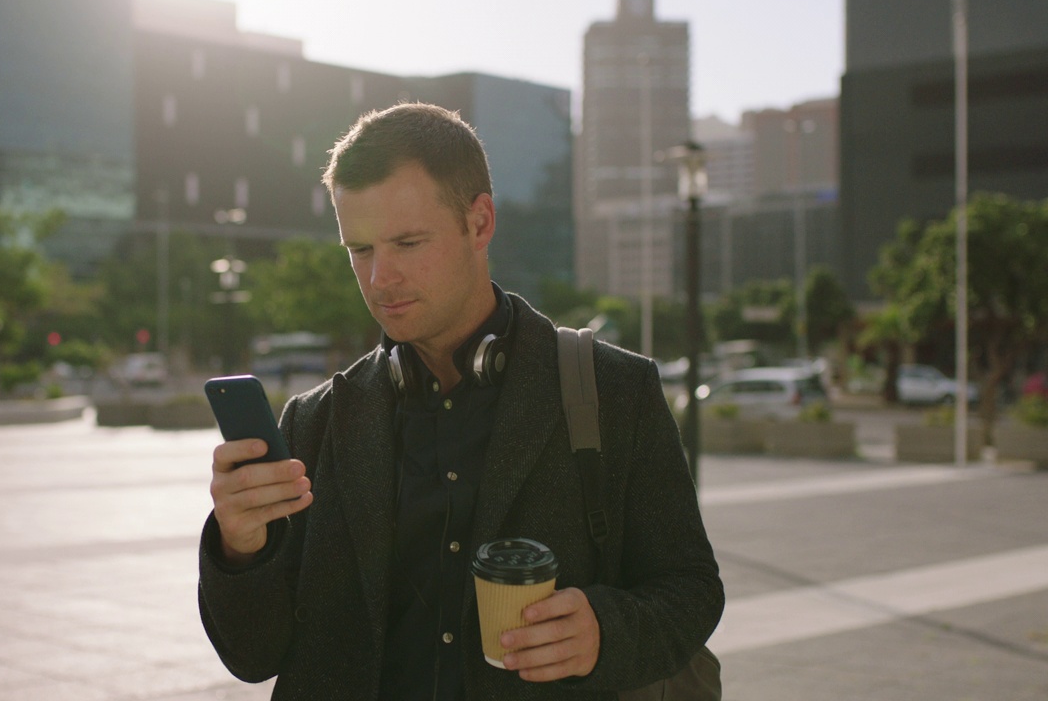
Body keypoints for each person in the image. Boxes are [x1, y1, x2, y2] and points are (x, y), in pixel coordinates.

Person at [199, 102, 723, 700]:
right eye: (360, 249)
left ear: (479, 223)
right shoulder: (315, 422)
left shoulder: (615, 393)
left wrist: (605, 631)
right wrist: (240, 549)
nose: (379, 279)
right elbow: (252, 656)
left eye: (408, 242)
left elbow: (691, 589)